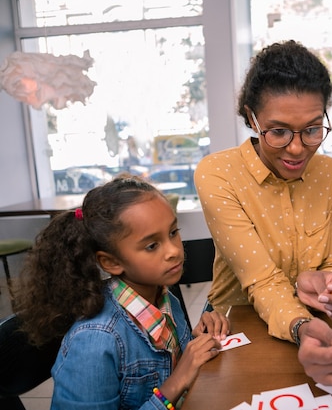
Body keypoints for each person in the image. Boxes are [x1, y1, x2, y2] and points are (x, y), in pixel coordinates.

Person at [194, 40, 332, 387]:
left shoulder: (329, 173)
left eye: (311, 129)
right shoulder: (217, 174)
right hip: (237, 325)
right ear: (251, 118)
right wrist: (301, 326)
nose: (297, 148)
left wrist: (330, 287)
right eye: (278, 131)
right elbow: (262, 281)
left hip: (313, 321)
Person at [12, 175, 230, 409]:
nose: (173, 251)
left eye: (173, 232)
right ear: (111, 262)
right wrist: (174, 386)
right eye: (152, 245)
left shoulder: (163, 296)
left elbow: (175, 362)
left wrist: (197, 341)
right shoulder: (95, 341)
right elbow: (177, 379)